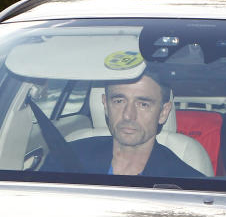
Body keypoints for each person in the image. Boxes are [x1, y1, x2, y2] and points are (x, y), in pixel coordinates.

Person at [44, 73, 205, 177]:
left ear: (163, 112)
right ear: (106, 105)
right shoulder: (64, 160)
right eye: (119, 101)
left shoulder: (186, 184)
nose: (128, 115)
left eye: (143, 104)